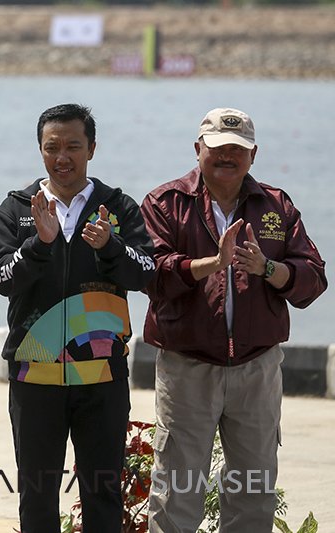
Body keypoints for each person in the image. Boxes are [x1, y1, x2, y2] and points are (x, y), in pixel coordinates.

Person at [141, 108, 327, 532]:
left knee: (254, 494)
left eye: (237, 150)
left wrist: (267, 268)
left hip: (257, 369)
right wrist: (213, 263)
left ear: (253, 155)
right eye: (218, 148)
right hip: (187, 367)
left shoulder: (276, 206)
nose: (227, 156)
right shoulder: (165, 202)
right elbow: (151, 274)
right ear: (197, 149)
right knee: (177, 491)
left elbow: (313, 279)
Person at [0, 103, 155, 533]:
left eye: (73, 147)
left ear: (92, 149)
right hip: (34, 372)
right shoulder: (17, 208)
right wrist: (38, 246)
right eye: (52, 147)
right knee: (37, 492)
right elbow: (0, 276)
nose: (62, 157)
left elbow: (148, 273)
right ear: (40, 150)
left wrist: (110, 247)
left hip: (101, 373)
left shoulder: (117, 207)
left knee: (103, 491)